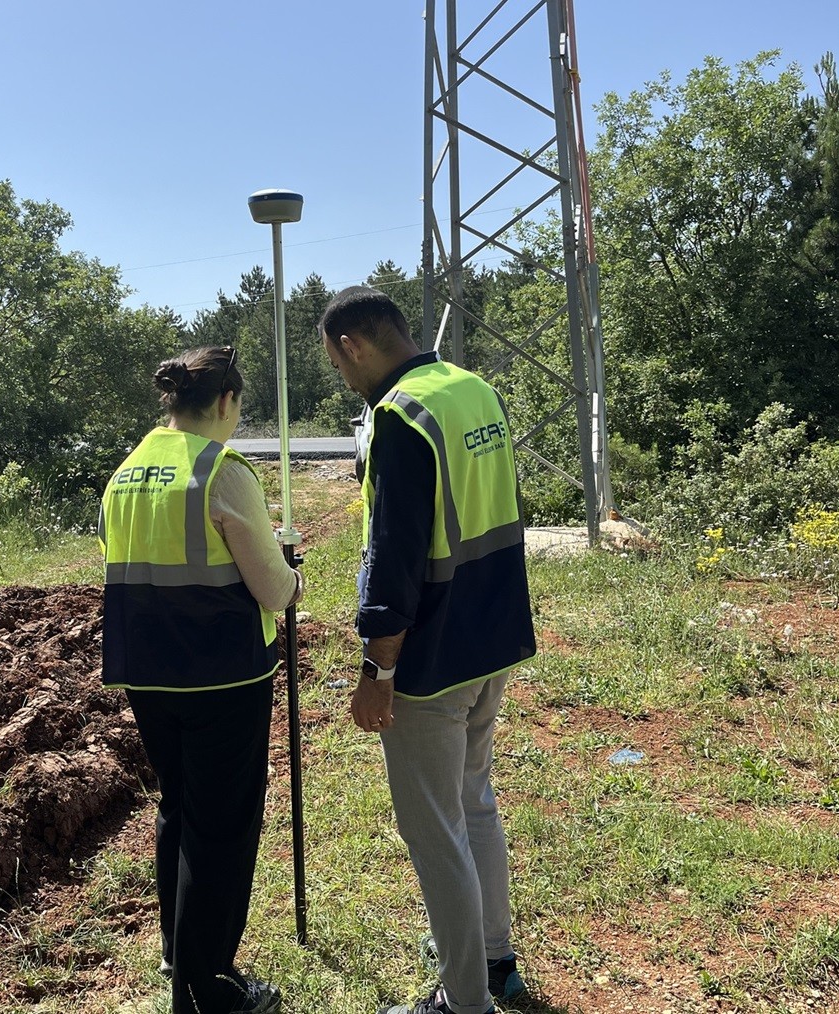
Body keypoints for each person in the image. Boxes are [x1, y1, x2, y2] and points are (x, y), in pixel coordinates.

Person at [318, 288, 536, 1014]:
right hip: (492, 636)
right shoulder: (474, 391)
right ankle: (497, 959)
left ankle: (464, 1001)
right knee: (473, 800)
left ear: (352, 344)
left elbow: (395, 557)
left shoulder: (399, 418)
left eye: (337, 362)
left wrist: (378, 670)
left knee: (435, 831)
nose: (343, 378)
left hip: (433, 659)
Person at [98, 346, 302, 1014]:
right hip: (222, 679)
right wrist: (294, 574)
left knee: (178, 809)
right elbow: (272, 590)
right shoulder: (222, 471)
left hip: (148, 677)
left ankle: (176, 950)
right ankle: (207, 985)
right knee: (222, 829)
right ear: (225, 402)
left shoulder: (123, 474)